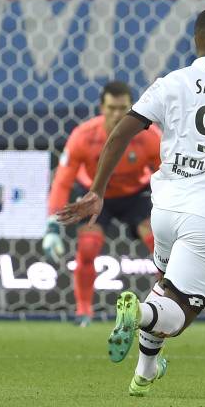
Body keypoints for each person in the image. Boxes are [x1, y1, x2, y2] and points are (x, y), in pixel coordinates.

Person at [57, 7, 205, 396]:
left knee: (165, 288)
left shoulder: (170, 83)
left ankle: (145, 371)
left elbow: (119, 135)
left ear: (197, 41)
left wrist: (97, 190)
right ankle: (136, 312)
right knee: (179, 315)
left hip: (164, 210)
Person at [44, 81, 161, 327]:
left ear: (133, 107)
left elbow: (167, 174)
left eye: (123, 108)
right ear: (101, 107)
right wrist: (52, 224)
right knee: (87, 247)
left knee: (160, 245)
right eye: (111, 108)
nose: (117, 114)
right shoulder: (83, 136)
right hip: (95, 195)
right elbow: (63, 181)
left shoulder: (149, 136)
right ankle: (84, 311)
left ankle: (163, 306)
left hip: (135, 195)